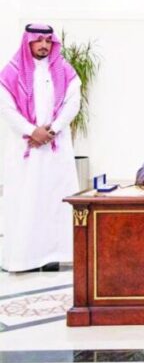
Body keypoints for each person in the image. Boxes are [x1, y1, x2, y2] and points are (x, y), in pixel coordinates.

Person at [0, 24, 80, 273]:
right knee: (26, 200)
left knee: (55, 201)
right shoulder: (11, 72)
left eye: (48, 40)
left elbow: (73, 104)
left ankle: (56, 255)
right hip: (26, 149)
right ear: (28, 42)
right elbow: (6, 108)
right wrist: (31, 131)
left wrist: (51, 131)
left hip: (56, 148)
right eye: (39, 40)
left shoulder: (65, 70)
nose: (44, 45)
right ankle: (24, 259)